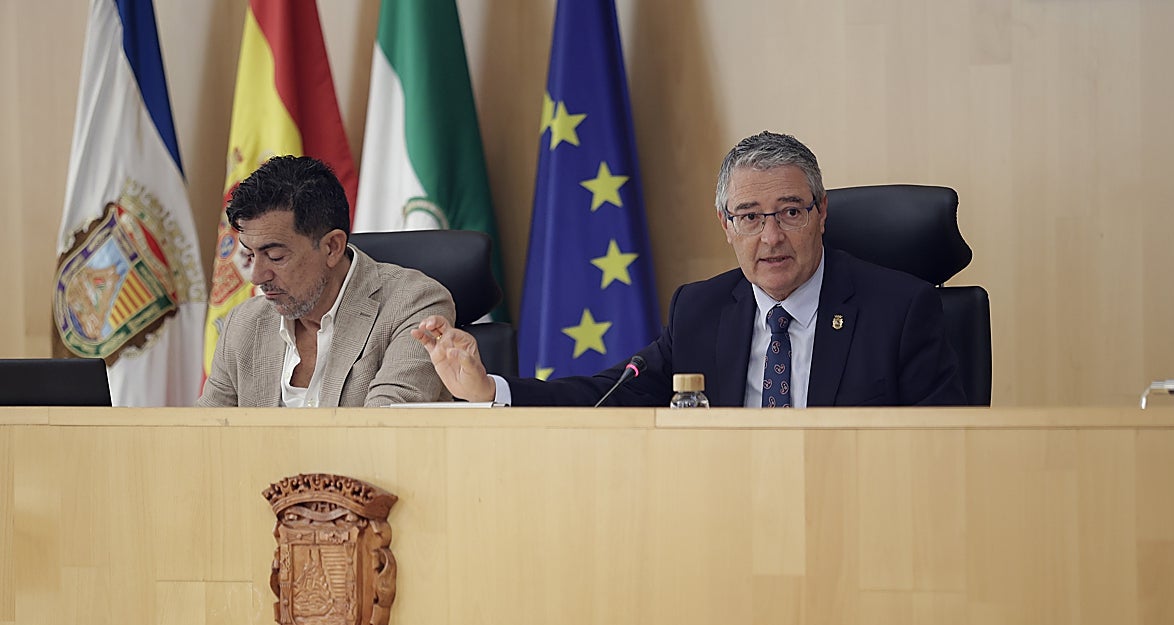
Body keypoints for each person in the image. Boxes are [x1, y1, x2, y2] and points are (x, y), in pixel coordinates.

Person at [412, 131, 965, 407]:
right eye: (749, 217)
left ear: (822, 214)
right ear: (725, 225)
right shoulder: (700, 309)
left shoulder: (900, 309)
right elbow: (612, 394)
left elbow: (941, 453)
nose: (770, 237)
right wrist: (492, 392)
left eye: (790, 212)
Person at [198, 155, 453, 407]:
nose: (257, 276)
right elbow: (203, 432)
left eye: (275, 256)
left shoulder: (414, 305)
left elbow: (384, 427)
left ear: (332, 247)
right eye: (250, 255)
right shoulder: (242, 324)